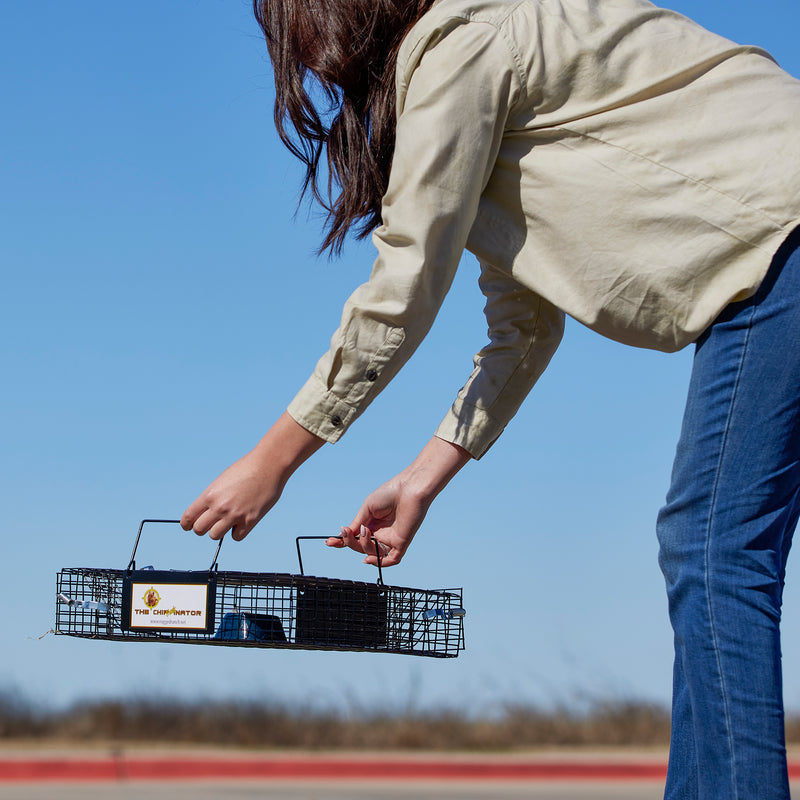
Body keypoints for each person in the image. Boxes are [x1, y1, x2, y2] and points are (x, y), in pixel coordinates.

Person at [180, 0, 800, 796]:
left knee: (712, 546)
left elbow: (404, 289)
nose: (300, 61)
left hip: (780, 237)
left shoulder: (462, 45)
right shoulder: (489, 67)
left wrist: (274, 460)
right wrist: (423, 478)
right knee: (706, 547)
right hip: (772, 250)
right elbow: (524, 330)